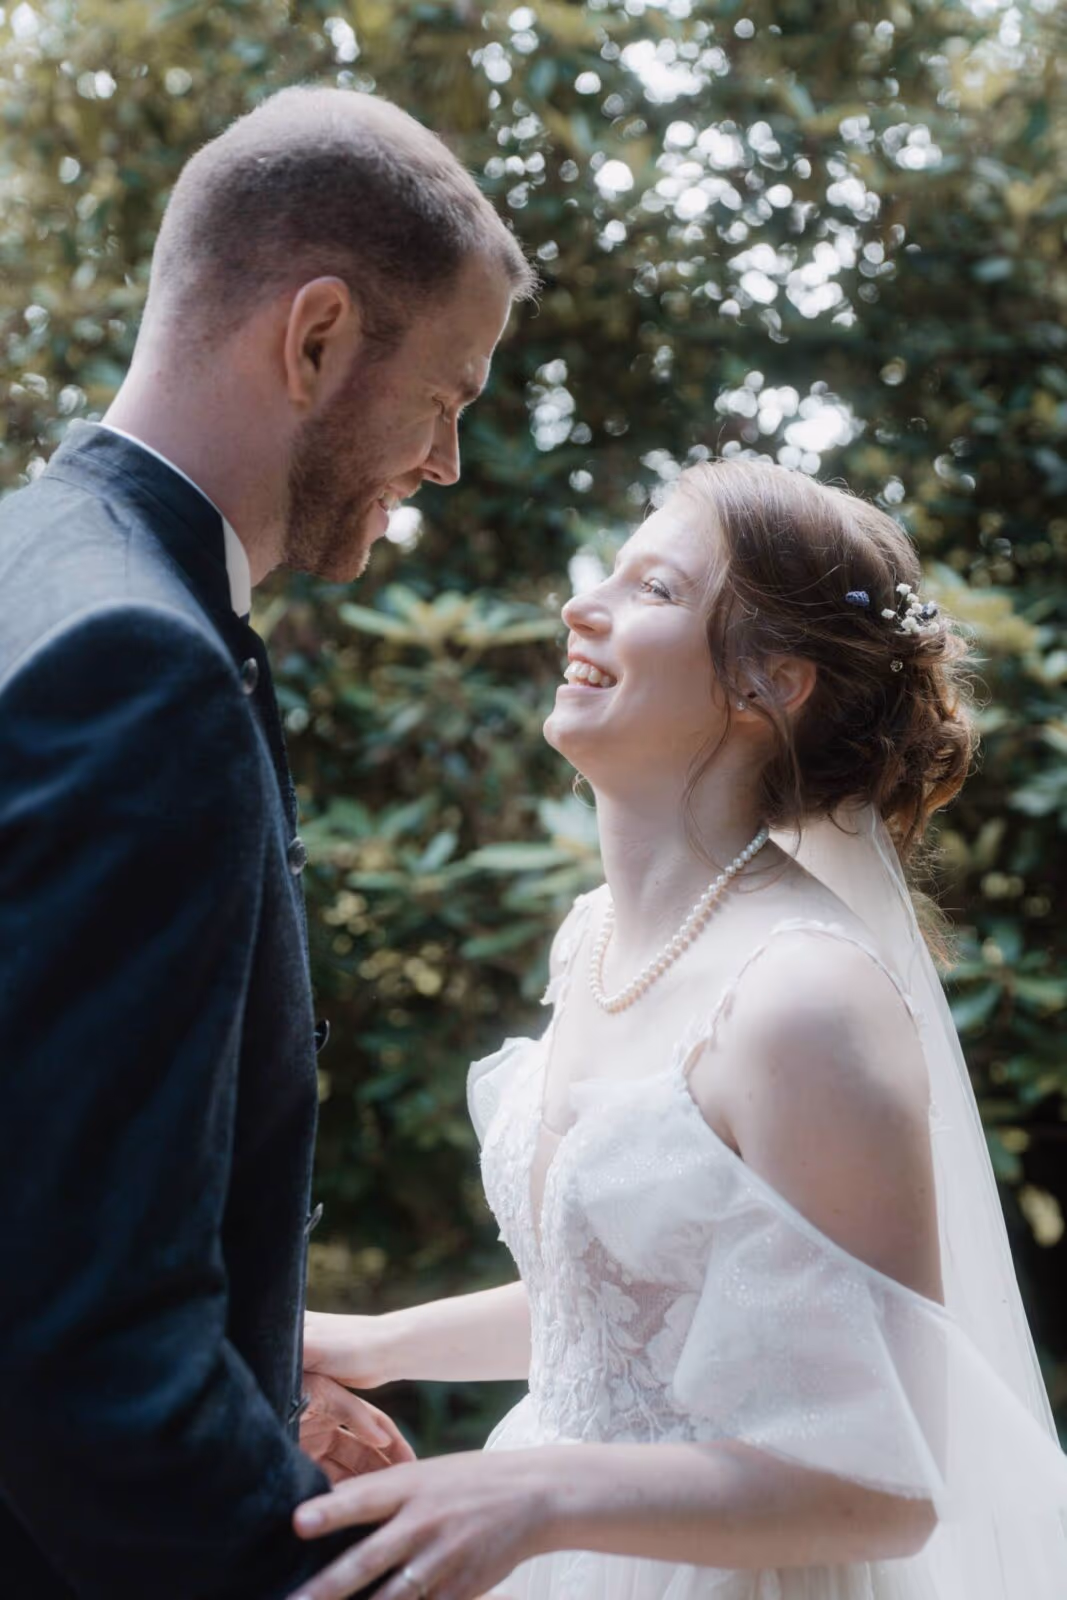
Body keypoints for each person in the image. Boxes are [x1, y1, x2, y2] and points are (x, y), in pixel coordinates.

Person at [292, 458, 1067, 1600]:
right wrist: (374, 1342)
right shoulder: (596, 936)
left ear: (771, 684)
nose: (580, 605)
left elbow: (886, 1485)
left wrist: (532, 1495)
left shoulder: (801, 998)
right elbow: (647, 1302)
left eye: (651, 587)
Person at [0, 85, 534, 1599]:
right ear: (314, 340)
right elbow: (71, 1327)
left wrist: (266, 1390)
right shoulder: (138, 665)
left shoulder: (27, 568)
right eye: (447, 396)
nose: (439, 464)